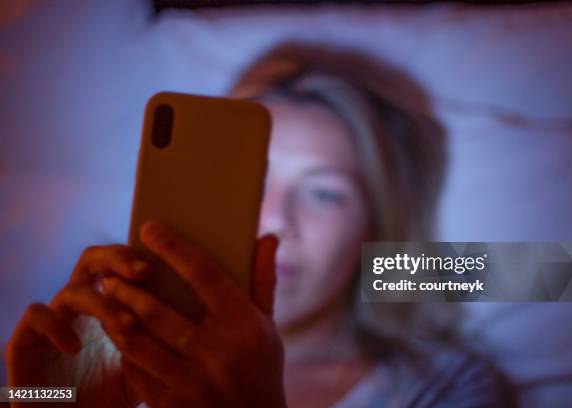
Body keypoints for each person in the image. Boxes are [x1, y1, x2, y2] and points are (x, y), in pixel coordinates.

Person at [4, 43, 514, 407]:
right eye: (252, 182)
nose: (275, 220)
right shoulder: (103, 361)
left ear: (374, 229)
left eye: (323, 193)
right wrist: (36, 401)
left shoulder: (444, 387)